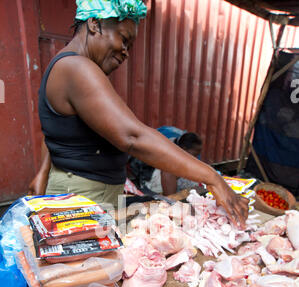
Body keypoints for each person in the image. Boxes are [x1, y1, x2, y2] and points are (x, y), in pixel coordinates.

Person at [28, 0, 248, 228]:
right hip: (84, 198)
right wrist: (212, 177)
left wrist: (44, 169)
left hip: (87, 193)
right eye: (123, 39)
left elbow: (59, 128)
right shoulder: (77, 67)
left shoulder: (71, 65)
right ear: (94, 24)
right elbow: (133, 137)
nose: (126, 52)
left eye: (129, 46)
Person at [129, 127, 203, 195]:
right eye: (194, 155)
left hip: (163, 176)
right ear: (184, 148)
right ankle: (170, 201)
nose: (195, 157)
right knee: (171, 171)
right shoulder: (167, 149)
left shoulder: (179, 144)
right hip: (150, 180)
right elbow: (167, 173)